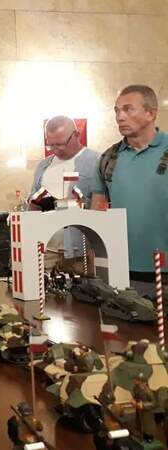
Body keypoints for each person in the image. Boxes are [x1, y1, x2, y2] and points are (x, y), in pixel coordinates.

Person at [92, 85, 168, 296]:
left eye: (128, 109)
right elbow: (97, 214)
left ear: (151, 113)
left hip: (164, 269)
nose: (120, 117)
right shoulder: (108, 159)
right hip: (120, 270)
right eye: (117, 110)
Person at [29, 116, 102, 272]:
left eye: (61, 144)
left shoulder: (96, 161)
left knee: (82, 286)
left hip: (80, 250)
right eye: (51, 145)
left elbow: (102, 204)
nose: (56, 149)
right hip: (45, 248)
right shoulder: (43, 165)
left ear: (77, 134)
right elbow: (33, 201)